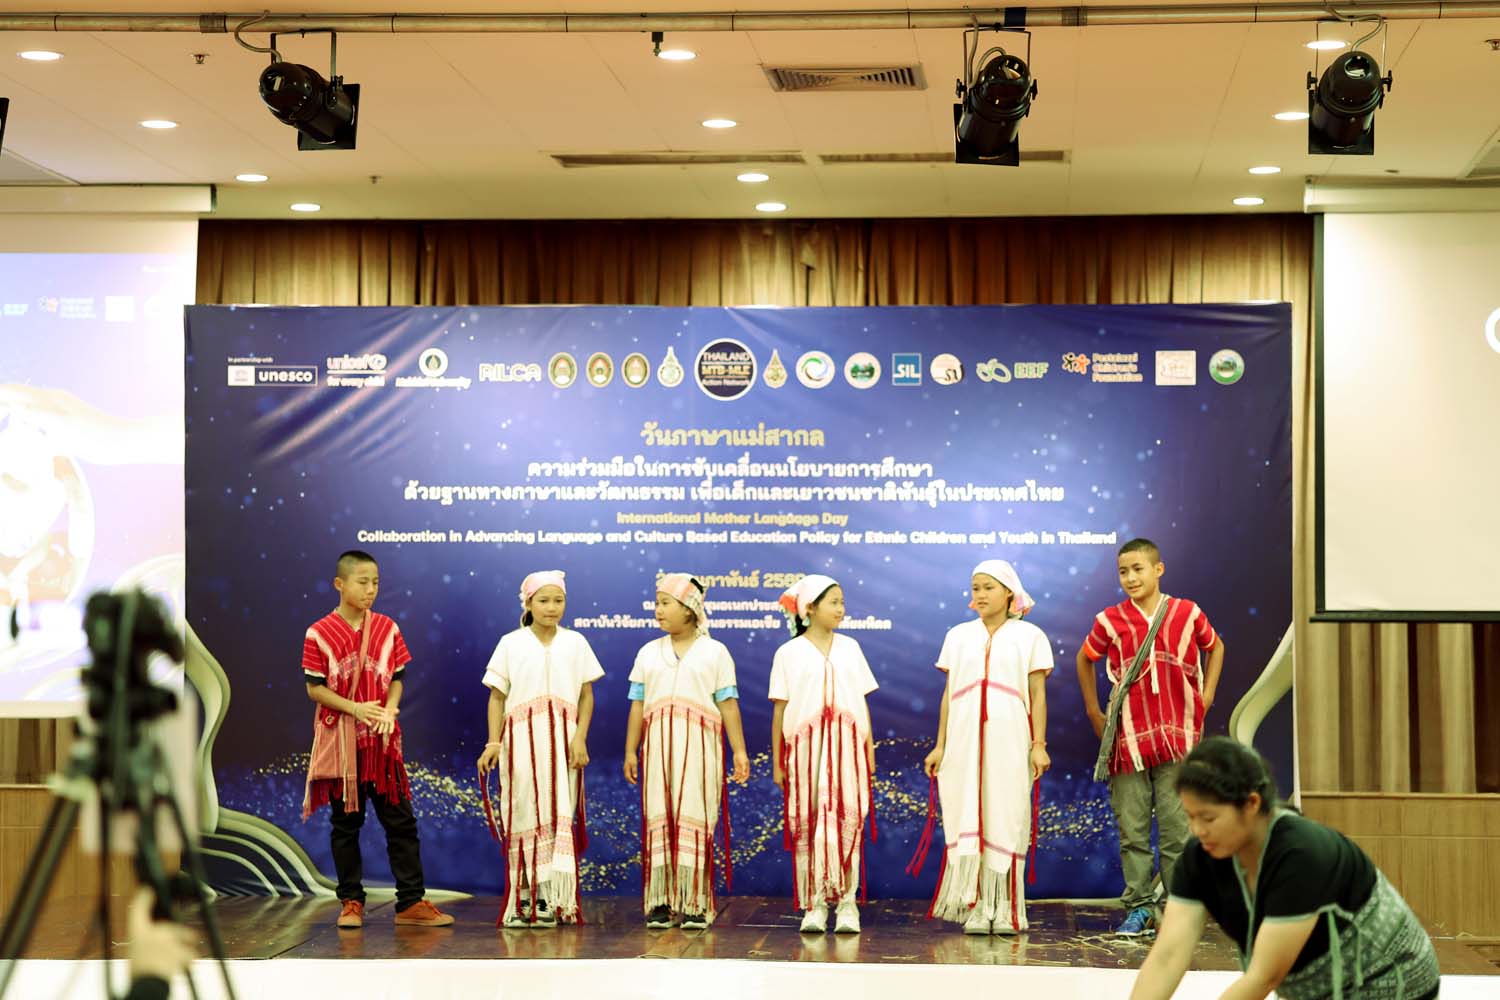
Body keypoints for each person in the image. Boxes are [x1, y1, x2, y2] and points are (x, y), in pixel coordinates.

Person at [1129, 736, 1440, 1000]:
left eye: (1208, 818)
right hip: (1317, 990)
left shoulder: (1301, 854)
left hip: (1393, 984)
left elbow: (1264, 977)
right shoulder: (1200, 857)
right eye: (1190, 816)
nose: (1197, 830)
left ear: (1251, 804)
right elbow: (1168, 956)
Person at [1075, 537, 1224, 937]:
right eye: (1123, 571)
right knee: (1134, 830)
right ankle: (1140, 907)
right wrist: (1093, 710)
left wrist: (1207, 694)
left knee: (1177, 831)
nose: (1130, 577)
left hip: (1178, 738)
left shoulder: (1186, 612)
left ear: (1159, 569)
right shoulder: (1110, 620)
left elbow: (1215, 646)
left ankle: (1177, 911)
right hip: (1128, 741)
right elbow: (1085, 658)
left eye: (1138, 569)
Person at [301, 550, 453, 929]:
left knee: (401, 823)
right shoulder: (318, 632)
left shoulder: (387, 628)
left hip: (383, 745)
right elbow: (314, 689)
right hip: (343, 746)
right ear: (340, 584)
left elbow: (397, 677)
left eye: (376, 583)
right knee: (346, 824)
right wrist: (355, 708)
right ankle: (351, 902)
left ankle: (411, 902)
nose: (370, 590)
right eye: (362, 582)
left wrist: (390, 708)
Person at [913, 559, 1052, 935]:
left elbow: (1038, 695)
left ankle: (1004, 907)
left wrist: (1038, 744)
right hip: (963, 740)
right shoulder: (958, 636)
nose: (981, 594)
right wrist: (940, 745)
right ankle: (976, 905)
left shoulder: (1030, 636)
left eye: (989, 587)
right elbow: (949, 695)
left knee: (1006, 814)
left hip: (1010, 738)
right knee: (967, 813)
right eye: (976, 587)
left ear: (1009, 592)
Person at [623, 573, 751, 929]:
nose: (658, 610)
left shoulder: (715, 652)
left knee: (695, 816)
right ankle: (661, 901)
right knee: (659, 817)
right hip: (658, 751)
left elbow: (728, 704)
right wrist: (631, 750)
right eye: (657, 603)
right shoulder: (649, 653)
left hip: (699, 750)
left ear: (690, 609)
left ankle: (694, 901)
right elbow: (637, 704)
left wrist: (739, 751)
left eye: (666, 603)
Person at [477, 570, 602, 928]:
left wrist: (579, 737)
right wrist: (494, 742)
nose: (551, 607)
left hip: (563, 743)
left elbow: (586, 695)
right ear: (528, 603)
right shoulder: (511, 643)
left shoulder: (576, 643)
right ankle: (523, 896)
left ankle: (549, 897)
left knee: (557, 810)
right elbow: (497, 697)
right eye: (543, 600)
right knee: (524, 812)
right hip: (520, 743)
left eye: (558, 600)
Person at [769, 574, 878, 935]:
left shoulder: (851, 648)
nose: (841, 609)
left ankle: (847, 903)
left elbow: (861, 702)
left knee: (847, 820)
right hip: (806, 752)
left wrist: (868, 750)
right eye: (833, 602)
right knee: (810, 822)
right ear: (810, 608)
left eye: (842, 602)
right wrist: (778, 760)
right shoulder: (788, 653)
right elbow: (780, 710)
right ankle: (814, 903)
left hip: (847, 749)